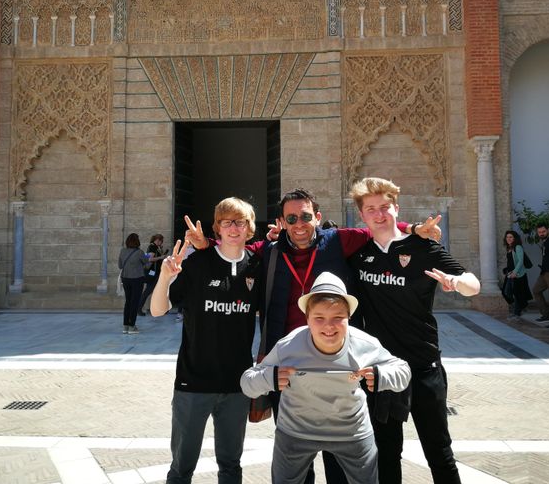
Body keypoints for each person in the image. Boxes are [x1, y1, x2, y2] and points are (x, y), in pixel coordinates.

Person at [184, 188, 441, 484]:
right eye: (291, 218)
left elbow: (375, 227)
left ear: (317, 217)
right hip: (290, 366)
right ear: (281, 222)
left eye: (306, 216)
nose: (299, 224)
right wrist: (206, 246)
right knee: (296, 463)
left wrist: (413, 228)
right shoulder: (269, 251)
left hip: (338, 361)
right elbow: (234, 249)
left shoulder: (338, 241)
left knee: (339, 465)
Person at [347, 177, 480, 484]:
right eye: (371, 209)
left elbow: (473, 284)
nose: (379, 215)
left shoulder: (423, 248)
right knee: (386, 453)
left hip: (423, 366)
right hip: (380, 370)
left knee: (439, 453)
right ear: (362, 215)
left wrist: (457, 283)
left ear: (396, 207)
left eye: (384, 207)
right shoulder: (357, 251)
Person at [241, 272, 411, 484]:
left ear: (349, 317)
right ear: (307, 319)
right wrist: (270, 377)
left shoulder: (364, 343)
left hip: (351, 431)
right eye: (319, 318)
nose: (329, 326)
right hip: (295, 431)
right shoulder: (289, 345)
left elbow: (403, 371)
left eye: (338, 318)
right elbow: (247, 382)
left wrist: (381, 375)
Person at [150, 197, 263, 484]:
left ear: (250, 228)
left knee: (231, 465)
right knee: (182, 467)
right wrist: (165, 278)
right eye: (227, 222)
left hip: (236, 385)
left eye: (240, 222)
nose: (234, 228)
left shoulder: (257, 267)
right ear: (218, 228)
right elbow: (157, 310)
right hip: (193, 383)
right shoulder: (198, 263)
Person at [118, 233, 151, 334]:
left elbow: (120, 266)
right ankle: (132, 326)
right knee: (134, 302)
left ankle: (125, 326)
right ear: (137, 242)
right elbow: (148, 265)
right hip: (137, 279)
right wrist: (148, 258)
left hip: (125, 278)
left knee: (128, 302)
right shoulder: (140, 252)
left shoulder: (122, 251)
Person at [502, 230, 532, 320]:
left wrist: (515, 272)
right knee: (506, 292)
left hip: (518, 274)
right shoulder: (509, 247)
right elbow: (511, 262)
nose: (508, 239)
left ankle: (517, 313)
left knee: (517, 294)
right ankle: (521, 308)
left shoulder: (518, 247)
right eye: (507, 237)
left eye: (511, 237)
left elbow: (520, 261)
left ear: (515, 238)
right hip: (511, 274)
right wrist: (507, 270)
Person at [139, 234, 168, 316]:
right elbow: (150, 259)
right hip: (153, 273)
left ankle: (143, 308)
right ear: (158, 240)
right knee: (149, 291)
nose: (162, 242)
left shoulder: (156, 247)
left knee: (152, 291)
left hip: (155, 273)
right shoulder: (152, 247)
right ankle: (139, 308)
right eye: (161, 241)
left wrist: (161, 253)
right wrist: (161, 257)